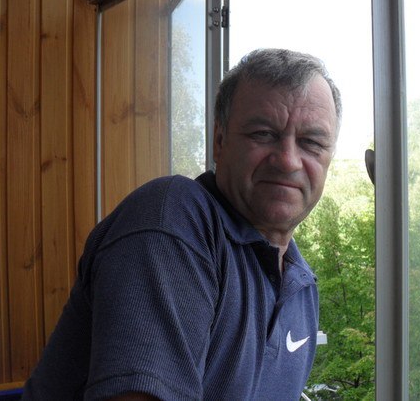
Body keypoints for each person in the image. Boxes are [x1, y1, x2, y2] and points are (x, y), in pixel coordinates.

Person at [22, 48, 342, 401]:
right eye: (263, 134)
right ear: (219, 141)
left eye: (311, 142)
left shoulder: (302, 285)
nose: (288, 160)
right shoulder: (173, 220)